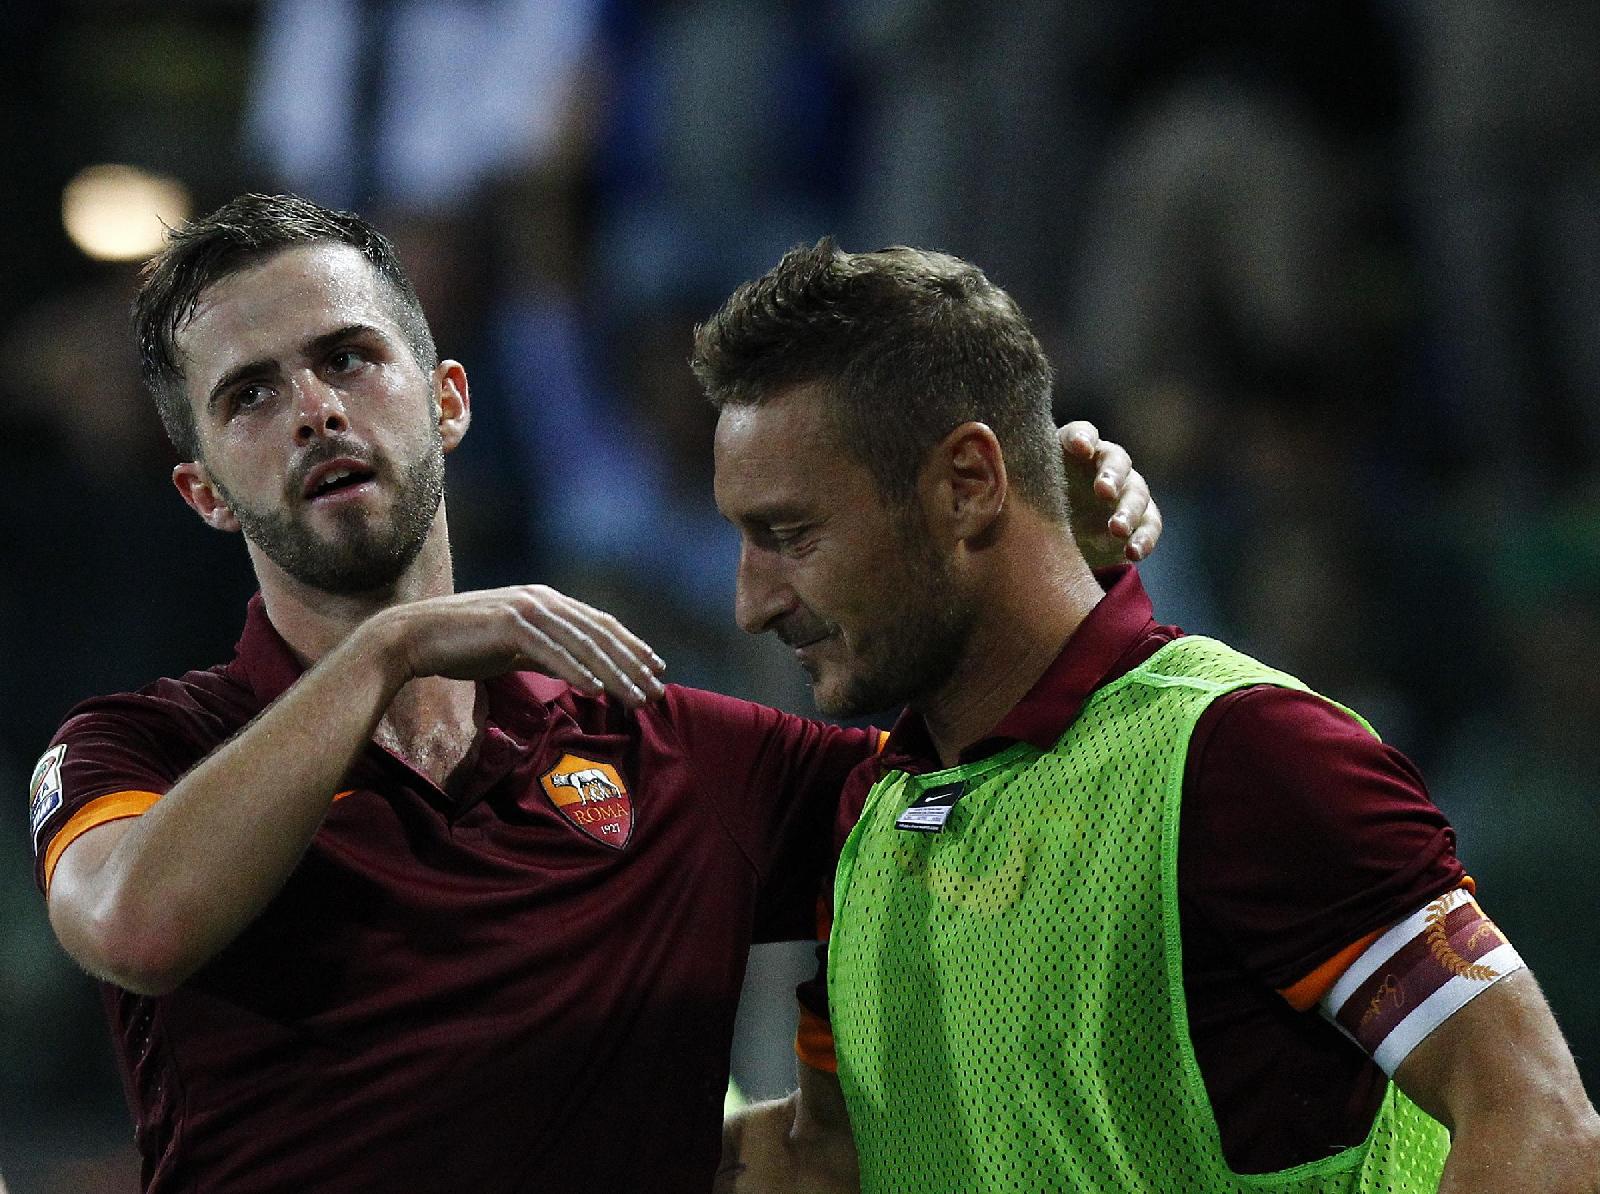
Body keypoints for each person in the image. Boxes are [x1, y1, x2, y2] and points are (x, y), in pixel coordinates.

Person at [28, 194, 1159, 1192]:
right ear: (204, 492)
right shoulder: (138, 751)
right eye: (250, 396)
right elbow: (137, 923)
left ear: (449, 402)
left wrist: (1041, 563)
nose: (315, 410)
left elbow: (992, 796)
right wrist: (391, 652)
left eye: (349, 359)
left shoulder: (672, 756)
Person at [699, 240, 1600, 1193]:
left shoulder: (1247, 756)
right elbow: (829, 1162)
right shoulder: (874, 816)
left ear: (968, 483)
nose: (751, 602)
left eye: (789, 536)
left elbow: (1538, 1127)